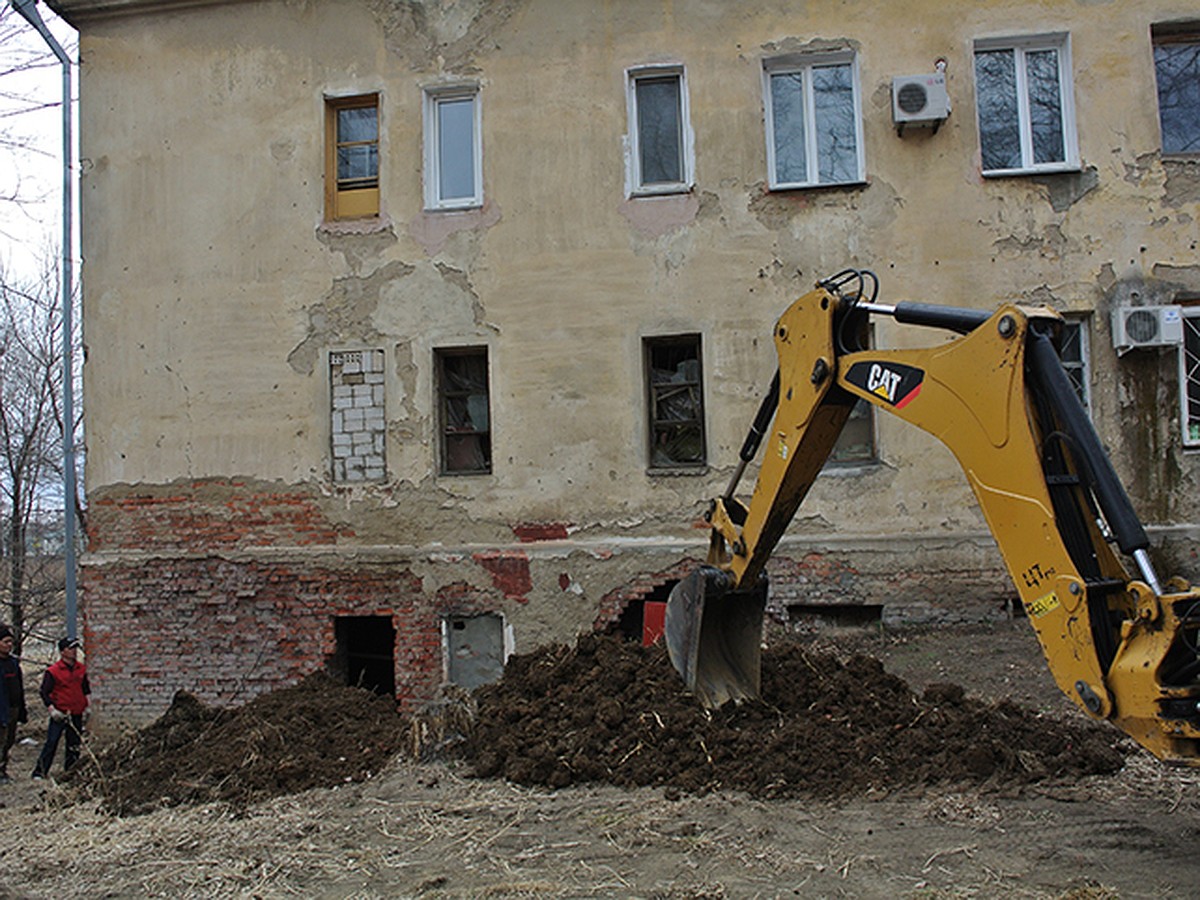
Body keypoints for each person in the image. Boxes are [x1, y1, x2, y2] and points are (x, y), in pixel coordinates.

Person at [32, 637, 90, 779]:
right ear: (63, 651)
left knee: (74, 743)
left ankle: (71, 770)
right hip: (60, 712)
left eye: (75, 648)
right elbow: (44, 692)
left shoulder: (81, 669)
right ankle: (40, 771)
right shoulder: (53, 671)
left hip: (76, 711)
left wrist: (88, 706)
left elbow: (85, 689)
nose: (74, 651)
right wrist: (52, 709)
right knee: (52, 742)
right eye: (70, 648)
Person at [0, 626, 26, 784]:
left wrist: (22, 710)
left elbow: (19, 686)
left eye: (11, 642)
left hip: (13, 707)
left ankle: (3, 769)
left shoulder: (13, 663)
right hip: (1, 709)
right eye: (5, 642)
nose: (9, 645)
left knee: (9, 740)